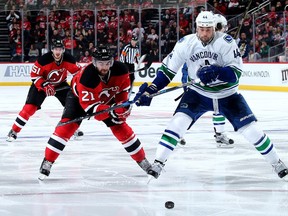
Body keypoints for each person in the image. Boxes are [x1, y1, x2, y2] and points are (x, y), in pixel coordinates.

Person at [133, 11, 288, 181]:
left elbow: (236, 73)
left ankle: (277, 163)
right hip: (198, 94)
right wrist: (152, 89)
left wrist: (217, 72)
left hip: (227, 95)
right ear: (196, 28)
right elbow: (167, 71)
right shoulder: (185, 43)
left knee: (252, 131)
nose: (205, 33)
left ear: (214, 28)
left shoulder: (226, 43)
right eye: (202, 29)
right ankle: (158, 163)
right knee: (177, 124)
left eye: (208, 29)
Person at [38, 45, 151, 180]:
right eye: (100, 63)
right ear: (94, 62)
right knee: (66, 127)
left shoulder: (121, 70)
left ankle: (142, 160)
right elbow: (92, 111)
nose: (104, 67)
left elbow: (121, 97)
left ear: (112, 62)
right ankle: (48, 161)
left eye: (107, 63)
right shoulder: (87, 76)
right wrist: (113, 111)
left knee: (120, 126)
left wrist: (122, 109)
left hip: (107, 99)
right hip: (78, 99)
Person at [6, 39, 84, 142]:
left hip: (60, 84)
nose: (58, 52)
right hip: (42, 85)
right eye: (56, 49)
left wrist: (78, 85)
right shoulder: (43, 60)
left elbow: (78, 73)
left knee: (73, 105)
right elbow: (34, 75)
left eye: (60, 49)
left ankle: (72, 128)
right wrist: (44, 85)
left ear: (63, 50)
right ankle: (14, 131)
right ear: (52, 50)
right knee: (29, 108)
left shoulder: (69, 59)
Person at [179, 13, 234, 148]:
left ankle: (220, 135)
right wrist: (187, 80)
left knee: (218, 107)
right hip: (196, 82)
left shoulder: (221, 42)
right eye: (221, 27)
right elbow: (188, 64)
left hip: (213, 83)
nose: (223, 30)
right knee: (191, 110)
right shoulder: (197, 42)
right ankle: (177, 133)